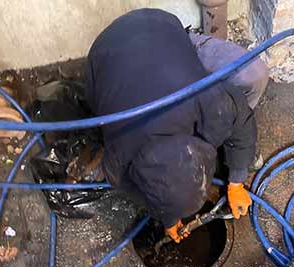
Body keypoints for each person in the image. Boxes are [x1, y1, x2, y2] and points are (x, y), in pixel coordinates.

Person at [85, 8, 268, 243]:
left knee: (254, 75)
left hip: (160, 30)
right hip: (105, 54)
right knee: (97, 102)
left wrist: (236, 181)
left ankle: (236, 152)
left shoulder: (211, 106)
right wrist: (168, 217)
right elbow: (131, 187)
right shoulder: (118, 159)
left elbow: (240, 117)